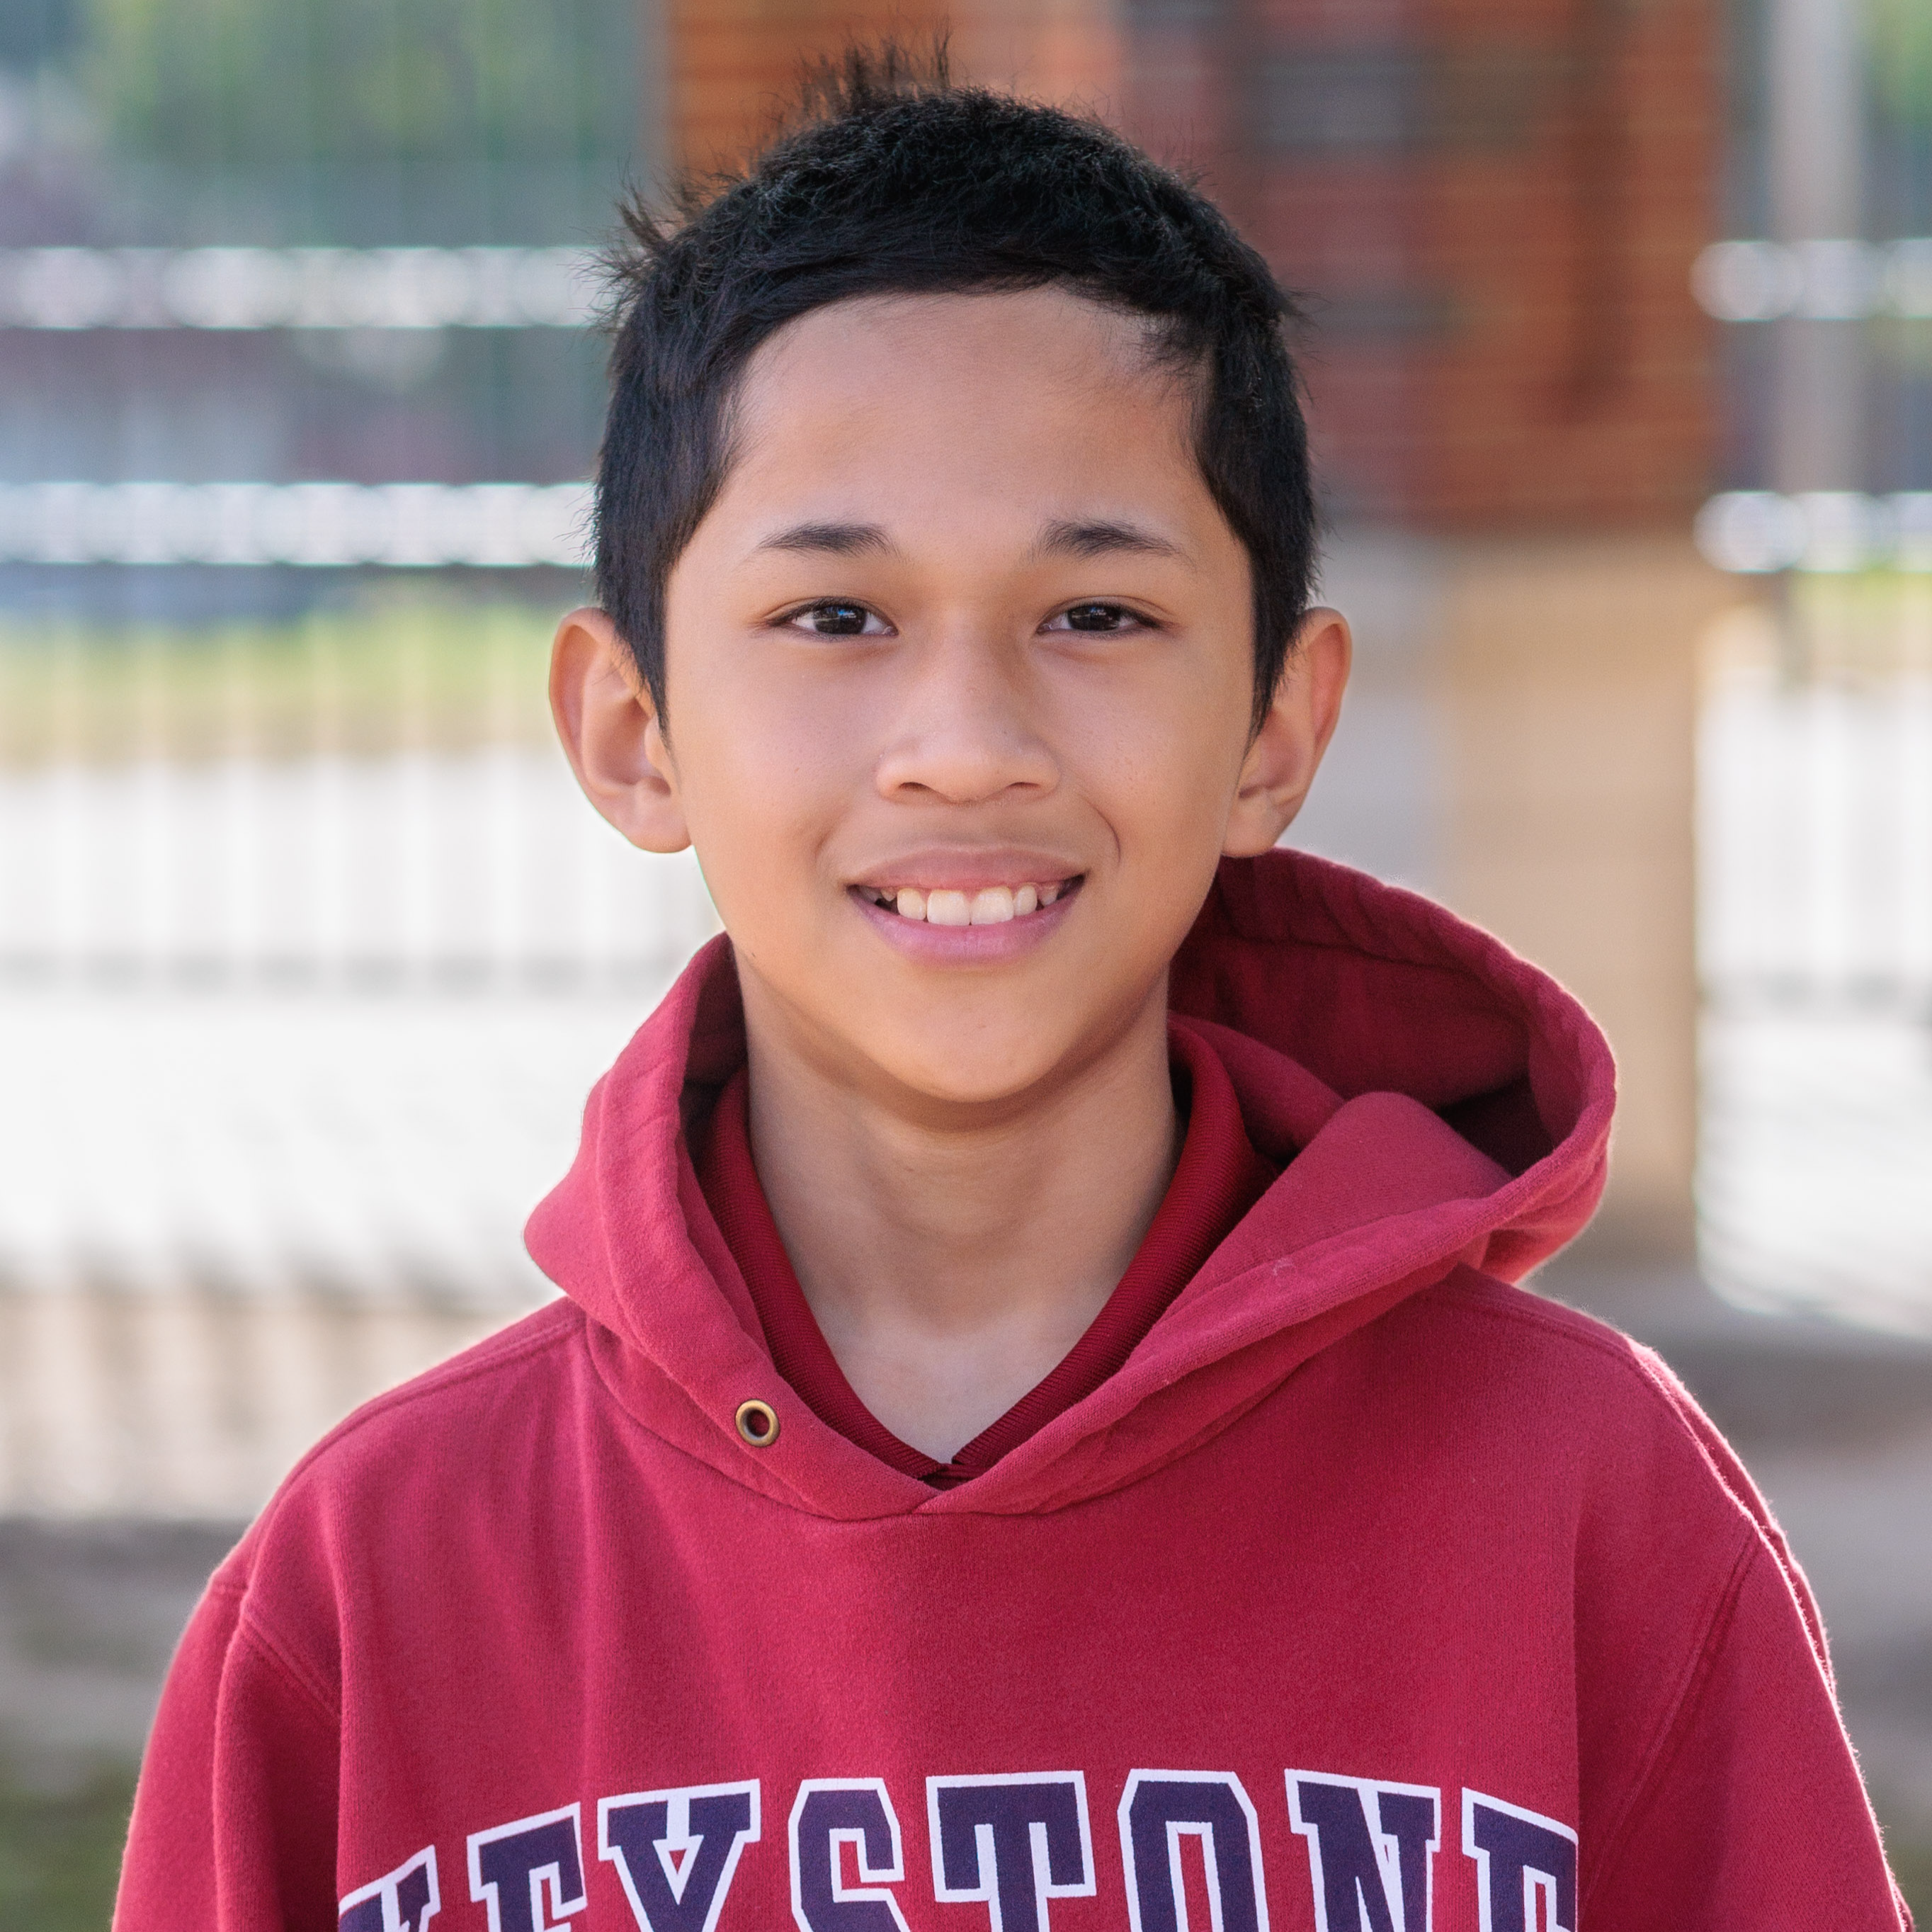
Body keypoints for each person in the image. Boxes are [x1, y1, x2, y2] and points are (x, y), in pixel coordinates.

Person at [117, 50, 1909, 1932]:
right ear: (634, 730)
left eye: (1097, 615)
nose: (964, 745)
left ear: (1275, 731)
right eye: (835, 617)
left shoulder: (1580, 1500)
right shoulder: (379, 1584)